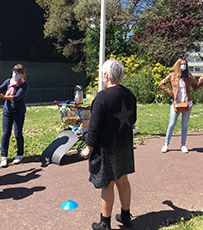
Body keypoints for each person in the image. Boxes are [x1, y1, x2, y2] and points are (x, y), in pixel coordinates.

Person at [81, 59, 137, 230]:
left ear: (106, 75)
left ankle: (105, 223)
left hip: (107, 147)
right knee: (123, 181)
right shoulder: (130, 95)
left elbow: (94, 126)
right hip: (124, 145)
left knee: (107, 184)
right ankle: (126, 218)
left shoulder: (102, 97)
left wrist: (88, 147)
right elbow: (132, 120)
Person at [158, 57, 203, 153]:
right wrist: (170, 93)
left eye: (185, 64)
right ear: (178, 65)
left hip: (187, 103)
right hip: (176, 103)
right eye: (182, 64)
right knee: (171, 124)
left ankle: (183, 145)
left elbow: (195, 87)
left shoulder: (188, 76)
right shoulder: (172, 76)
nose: (184, 66)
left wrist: (200, 82)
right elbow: (161, 84)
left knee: (184, 125)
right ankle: (166, 144)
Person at [0, 64, 29, 167]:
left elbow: (16, 97)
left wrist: (3, 97)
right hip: (7, 112)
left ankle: (20, 154)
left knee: (18, 133)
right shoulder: (8, 81)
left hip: (19, 112)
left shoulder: (24, 85)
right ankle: (4, 156)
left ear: (22, 74)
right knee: (6, 133)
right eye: (14, 72)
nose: (15, 74)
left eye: (18, 73)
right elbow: (0, 88)